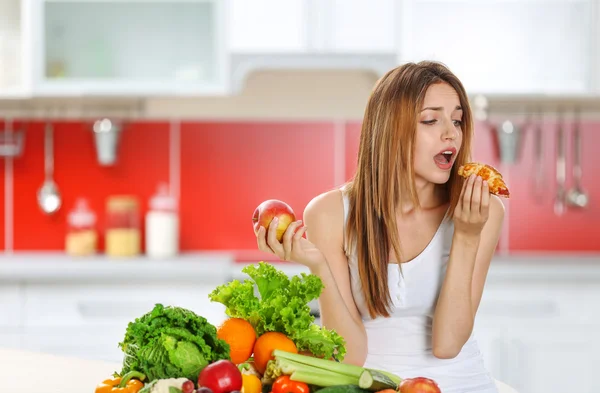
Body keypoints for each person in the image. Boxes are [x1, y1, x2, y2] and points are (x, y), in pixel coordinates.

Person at [254, 61, 504, 393]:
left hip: (462, 384)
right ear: (390, 129)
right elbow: (350, 356)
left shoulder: (482, 212)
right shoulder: (329, 214)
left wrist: (468, 236)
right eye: (431, 119)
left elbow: (447, 344)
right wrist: (319, 266)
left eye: (457, 120)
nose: (451, 133)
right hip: (372, 386)